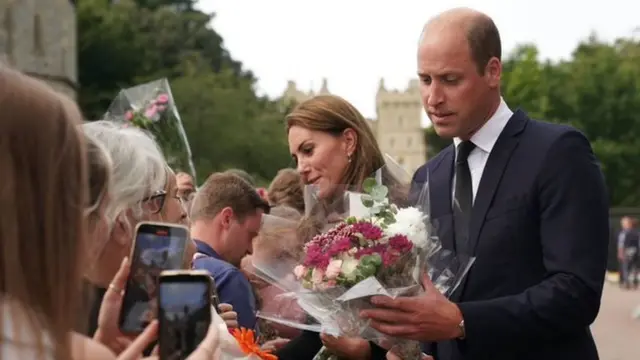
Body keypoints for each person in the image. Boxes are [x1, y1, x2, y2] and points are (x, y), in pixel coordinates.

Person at [360, 8, 609, 360]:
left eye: (450, 79)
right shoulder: (428, 176)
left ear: (493, 71)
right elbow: (432, 297)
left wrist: (462, 321)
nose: (433, 98)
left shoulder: (557, 152)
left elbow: (576, 292)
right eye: (425, 79)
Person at [274, 94, 403, 360]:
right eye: (295, 157)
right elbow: (317, 337)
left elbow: (423, 335)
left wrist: (368, 353)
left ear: (348, 141)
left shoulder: (399, 217)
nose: (300, 168)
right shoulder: (315, 226)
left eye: (308, 150)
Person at [190, 172, 270, 330]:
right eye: (250, 235)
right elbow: (244, 352)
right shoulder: (228, 277)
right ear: (227, 218)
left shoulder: (164, 266)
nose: (250, 249)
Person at [618, 216, 639, 289]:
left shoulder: (624, 233)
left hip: (627, 251)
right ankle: (634, 282)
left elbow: (621, 244)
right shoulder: (637, 233)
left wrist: (620, 252)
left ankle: (627, 282)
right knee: (634, 267)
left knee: (626, 267)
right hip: (635, 251)